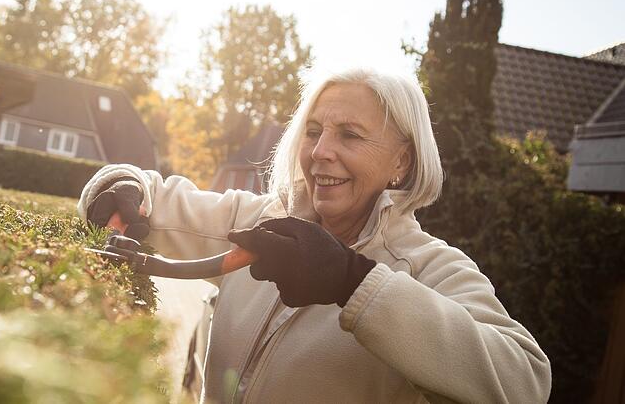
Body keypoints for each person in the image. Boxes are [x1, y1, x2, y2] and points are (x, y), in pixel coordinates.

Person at [78, 68, 552, 403]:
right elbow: (156, 199)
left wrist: (354, 282)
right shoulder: (262, 221)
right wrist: (119, 186)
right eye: (313, 131)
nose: (321, 151)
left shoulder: (429, 267)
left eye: (350, 134)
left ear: (402, 161)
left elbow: (525, 382)